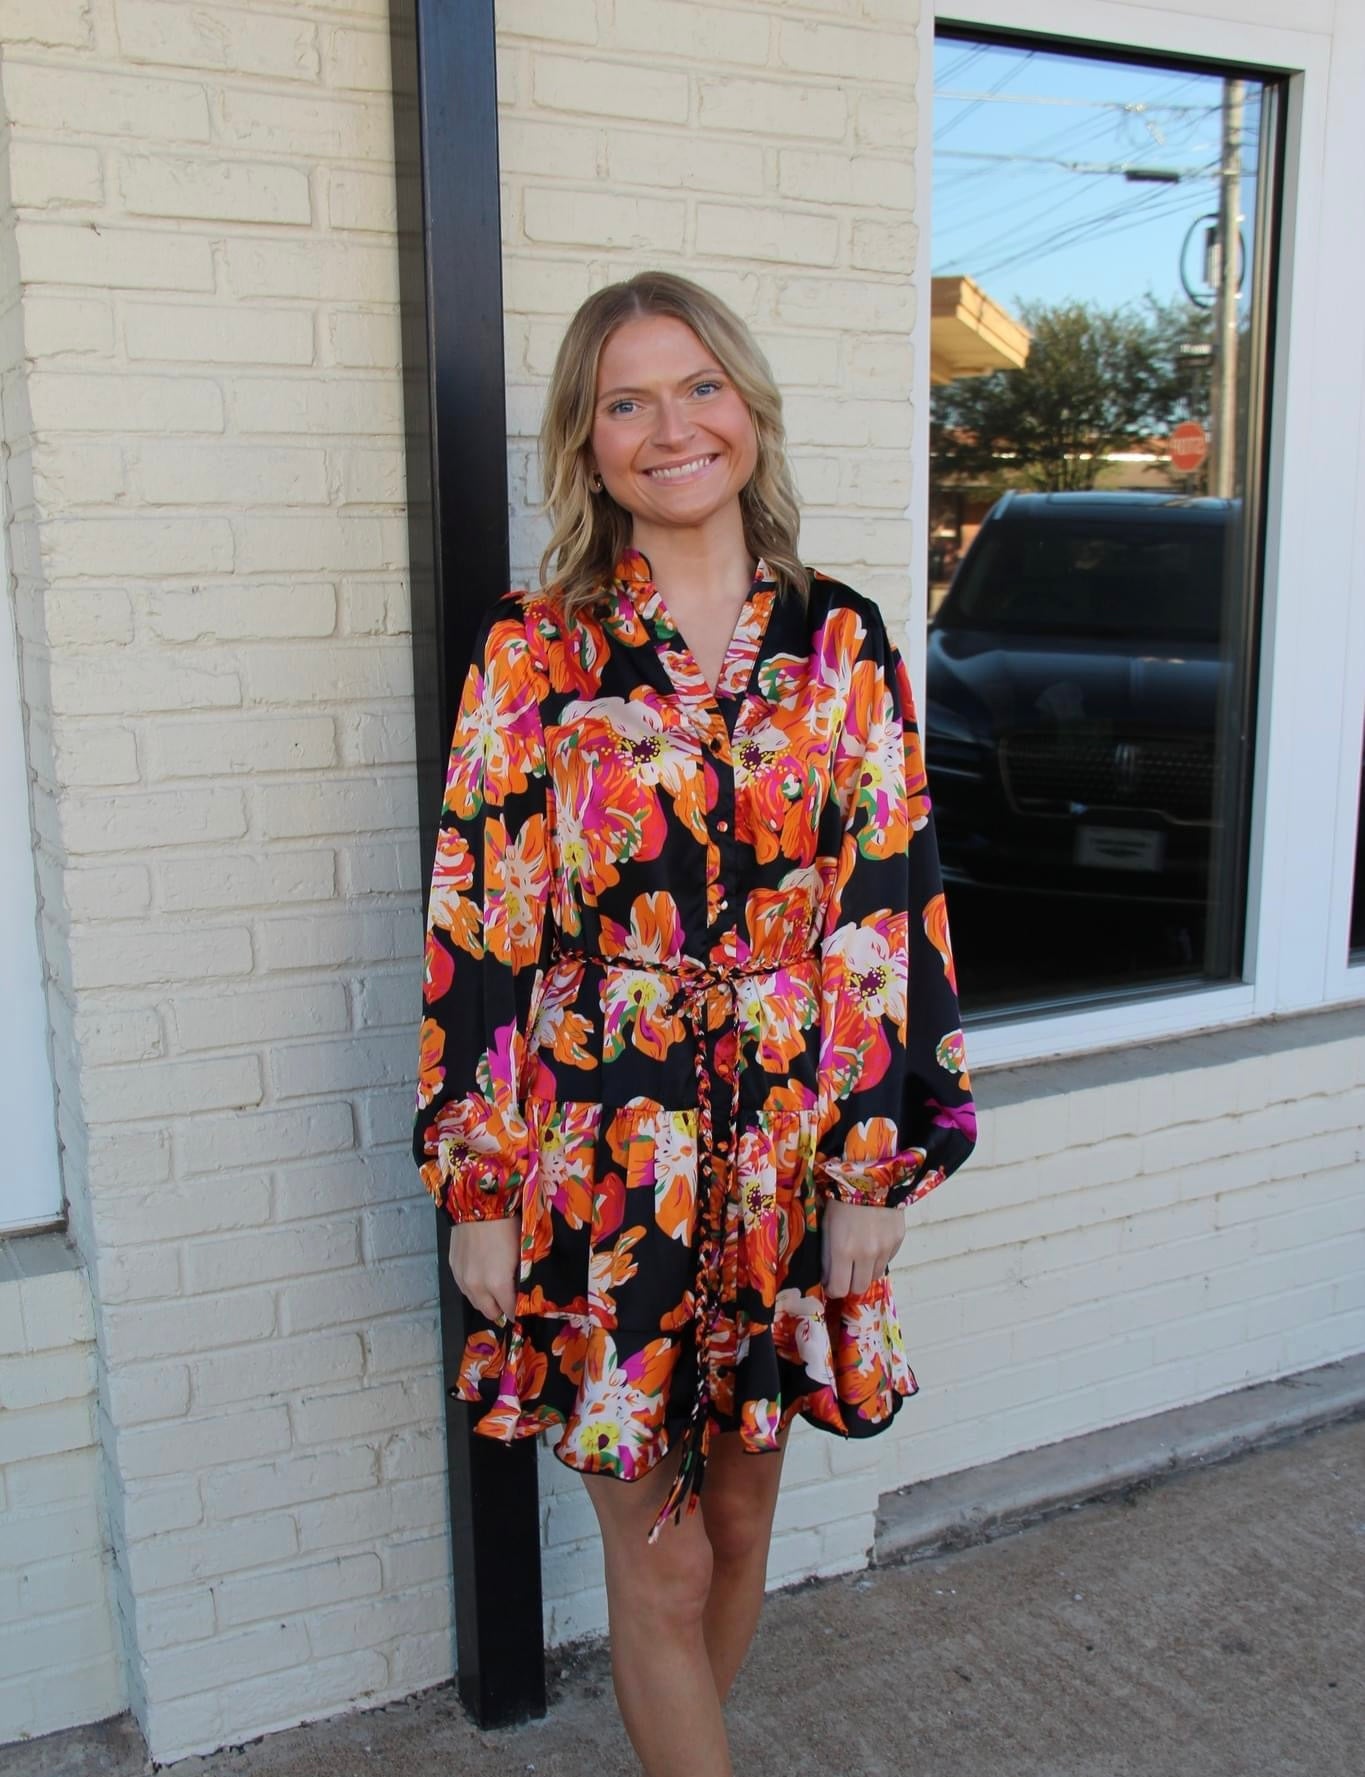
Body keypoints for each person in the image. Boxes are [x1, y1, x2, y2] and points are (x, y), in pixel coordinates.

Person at [412, 269, 976, 1777]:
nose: (671, 427)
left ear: (749, 407)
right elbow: (484, 927)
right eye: (625, 401)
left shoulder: (844, 638)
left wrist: (873, 1171)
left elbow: (889, 909)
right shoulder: (534, 655)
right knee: (655, 1560)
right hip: (602, 1159)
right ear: (586, 447)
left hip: (794, 1144)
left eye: (698, 387)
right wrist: (481, 1186)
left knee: (734, 1528)